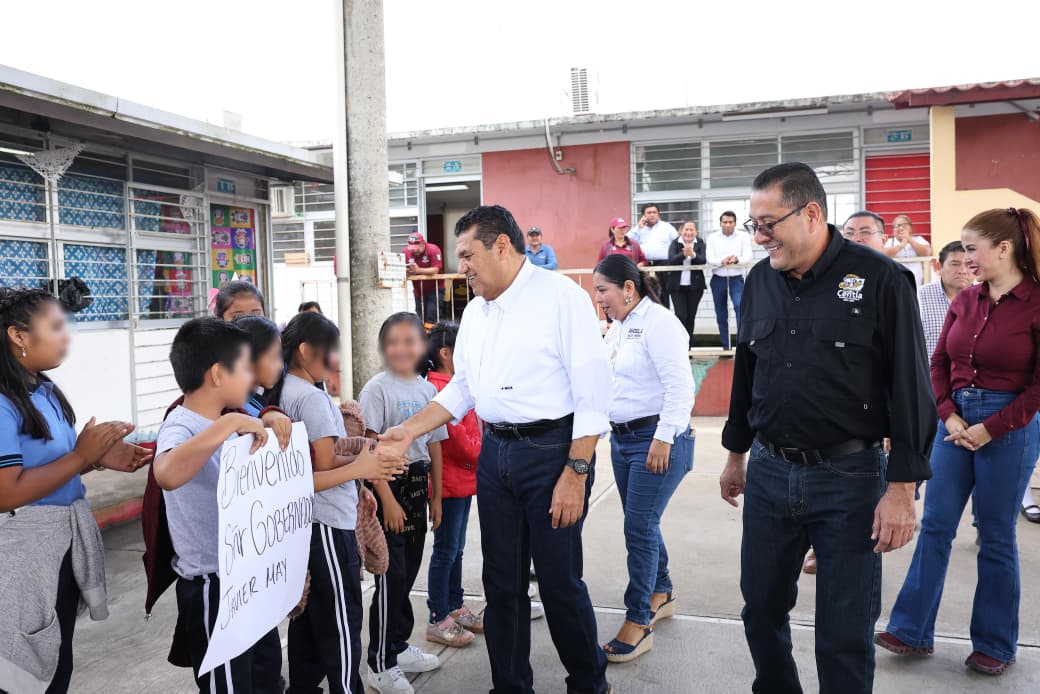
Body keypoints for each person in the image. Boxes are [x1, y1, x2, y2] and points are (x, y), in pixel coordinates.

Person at [376, 205, 613, 694]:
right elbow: (463, 389)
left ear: (501, 246)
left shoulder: (561, 298)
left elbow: (594, 396)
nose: (461, 265)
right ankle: (510, 685)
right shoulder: (476, 312)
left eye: (467, 255)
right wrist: (408, 430)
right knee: (501, 583)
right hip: (497, 454)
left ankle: (589, 683)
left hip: (553, 453)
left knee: (559, 582)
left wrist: (576, 471)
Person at [719, 163, 936, 694]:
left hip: (850, 478)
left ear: (811, 213)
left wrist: (902, 489)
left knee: (844, 631)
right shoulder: (759, 280)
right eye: (754, 225)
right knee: (760, 608)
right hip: (769, 473)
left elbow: (911, 388)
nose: (759, 237)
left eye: (768, 224)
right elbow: (748, 375)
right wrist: (736, 454)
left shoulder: (881, 279)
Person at [877, 207, 1040, 676]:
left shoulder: (1035, 303)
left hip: (1009, 426)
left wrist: (992, 428)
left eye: (972, 249)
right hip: (953, 422)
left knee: (996, 535)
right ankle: (910, 631)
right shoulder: (966, 300)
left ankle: (995, 644)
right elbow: (938, 362)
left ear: (1004, 248)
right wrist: (947, 413)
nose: (965, 258)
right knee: (935, 525)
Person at [0, 288, 149, 694]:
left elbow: (51, 467)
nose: (66, 335)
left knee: (55, 660)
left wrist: (98, 458)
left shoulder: (45, 390)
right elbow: (7, 493)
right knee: (20, 667)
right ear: (18, 335)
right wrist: (83, 455)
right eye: (55, 326)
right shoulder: (3, 403)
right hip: (22, 557)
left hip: (59, 550)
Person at [272, 311, 407, 694]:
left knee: (309, 623)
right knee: (342, 625)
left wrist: (364, 450)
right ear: (304, 351)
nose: (334, 360)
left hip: (305, 523)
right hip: (328, 523)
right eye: (329, 351)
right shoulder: (310, 398)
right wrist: (368, 463)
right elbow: (324, 462)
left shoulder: (283, 392)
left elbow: (319, 454)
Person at [151, 318, 283, 692]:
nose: (252, 378)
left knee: (266, 676)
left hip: (248, 577)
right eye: (244, 368)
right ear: (217, 374)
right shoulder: (181, 425)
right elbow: (166, 473)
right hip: (213, 584)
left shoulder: (232, 421)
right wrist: (229, 425)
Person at [593, 255, 696, 664]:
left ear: (628, 288)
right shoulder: (618, 328)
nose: (599, 298)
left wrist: (664, 437)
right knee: (643, 522)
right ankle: (662, 590)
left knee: (638, 526)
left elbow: (680, 387)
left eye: (603, 290)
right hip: (623, 441)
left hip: (655, 441)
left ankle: (638, 621)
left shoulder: (660, 323)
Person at [361, 312, 449, 693]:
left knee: (409, 571)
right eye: (393, 341)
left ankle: (397, 645)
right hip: (389, 488)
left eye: (409, 341)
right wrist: (386, 498)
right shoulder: (376, 389)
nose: (401, 348)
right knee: (390, 576)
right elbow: (369, 447)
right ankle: (380, 663)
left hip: (418, 486)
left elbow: (435, 446)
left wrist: (437, 497)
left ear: (422, 345)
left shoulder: (429, 392)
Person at [422, 321, 486, 644]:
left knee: (456, 548)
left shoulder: (454, 382)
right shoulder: (439, 388)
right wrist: (486, 454)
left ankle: (455, 604)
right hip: (448, 481)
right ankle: (438, 615)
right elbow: (457, 439)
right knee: (446, 549)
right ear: (447, 353)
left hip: (462, 479)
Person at [706, 211, 754, 350]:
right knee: (721, 313)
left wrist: (737, 259)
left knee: (740, 307)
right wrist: (722, 261)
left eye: (730, 222)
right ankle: (726, 347)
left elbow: (748, 256)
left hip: (736, 279)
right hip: (718, 278)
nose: (727, 224)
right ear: (720, 223)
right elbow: (710, 258)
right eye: (725, 222)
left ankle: (741, 346)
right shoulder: (713, 237)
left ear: (735, 223)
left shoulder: (743, 236)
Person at [917, 241, 972, 360]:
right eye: (955, 264)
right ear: (938, 267)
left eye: (969, 264)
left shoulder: (987, 299)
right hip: (929, 371)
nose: (963, 271)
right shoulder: (918, 298)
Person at [666, 221, 707, 348]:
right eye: (686, 230)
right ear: (681, 231)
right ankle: (679, 344)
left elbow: (703, 260)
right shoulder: (675, 243)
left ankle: (688, 346)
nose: (689, 232)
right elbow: (671, 260)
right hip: (677, 287)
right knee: (680, 315)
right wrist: (683, 254)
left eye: (691, 230)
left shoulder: (700, 243)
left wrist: (693, 254)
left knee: (690, 316)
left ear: (696, 232)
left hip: (695, 286)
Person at [628, 204, 678, 307]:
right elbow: (626, 241)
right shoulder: (638, 229)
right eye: (649, 213)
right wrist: (638, 228)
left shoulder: (667, 227)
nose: (652, 215)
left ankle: (664, 317)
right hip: (644, 265)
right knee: (645, 295)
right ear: (643, 215)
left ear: (658, 214)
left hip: (663, 265)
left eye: (654, 212)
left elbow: (677, 243)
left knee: (663, 295)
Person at [405, 231, 445, 324]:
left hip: (435, 289)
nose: (414, 251)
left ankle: (431, 334)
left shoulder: (433, 249)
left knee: (431, 318)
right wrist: (406, 273)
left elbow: (436, 270)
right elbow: (403, 270)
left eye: (416, 248)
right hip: (418, 291)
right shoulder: (406, 252)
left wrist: (418, 270)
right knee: (420, 319)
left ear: (423, 244)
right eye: (412, 249)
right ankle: (422, 333)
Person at [884, 215, 933, 285]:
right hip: (895, 282)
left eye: (904, 225)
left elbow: (927, 253)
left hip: (916, 283)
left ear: (911, 228)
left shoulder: (918, 239)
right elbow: (883, 254)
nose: (901, 228)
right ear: (893, 230)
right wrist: (902, 244)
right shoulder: (888, 242)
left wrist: (909, 239)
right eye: (897, 225)